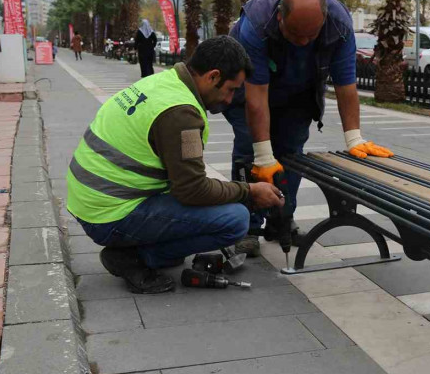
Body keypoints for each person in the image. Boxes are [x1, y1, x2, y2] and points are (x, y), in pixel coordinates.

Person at [66, 36, 285, 294]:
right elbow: (192, 190)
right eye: (231, 89)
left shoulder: (163, 82)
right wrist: (249, 192)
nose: (230, 100)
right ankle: (135, 258)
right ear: (213, 76)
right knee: (235, 219)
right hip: (109, 213)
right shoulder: (182, 113)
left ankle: (145, 248)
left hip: (91, 200)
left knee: (217, 206)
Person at [225, 0, 393, 256]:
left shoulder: (339, 26)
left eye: (310, 36)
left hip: (298, 91)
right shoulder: (257, 24)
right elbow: (256, 98)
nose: (303, 42)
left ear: (323, 21)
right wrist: (264, 155)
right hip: (250, 90)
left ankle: (282, 220)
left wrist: (354, 138)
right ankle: (247, 227)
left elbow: (346, 86)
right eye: (294, 34)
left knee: (292, 152)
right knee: (249, 151)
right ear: (280, 17)